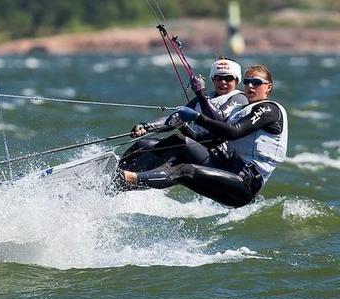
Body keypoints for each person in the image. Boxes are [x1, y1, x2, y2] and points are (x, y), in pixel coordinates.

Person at [117, 64, 288, 208]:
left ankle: (128, 178)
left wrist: (198, 118)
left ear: (269, 87)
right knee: (176, 143)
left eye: (256, 83)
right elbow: (211, 140)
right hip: (227, 167)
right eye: (248, 82)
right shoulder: (242, 112)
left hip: (244, 184)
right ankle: (115, 180)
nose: (250, 86)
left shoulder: (269, 109)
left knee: (185, 170)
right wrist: (175, 128)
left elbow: (233, 132)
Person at [118, 57, 247, 173]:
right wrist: (146, 126)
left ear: (237, 80)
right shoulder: (205, 99)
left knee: (178, 140)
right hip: (193, 146)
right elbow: (175, 118)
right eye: (218, 77)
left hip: (216, 158)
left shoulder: (239, 98)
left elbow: (217, 120)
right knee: (143, 144)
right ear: (212, 79)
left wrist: (200, 94)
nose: (223, 82)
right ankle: (114, 178)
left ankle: (131, 178)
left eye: (228, 78)